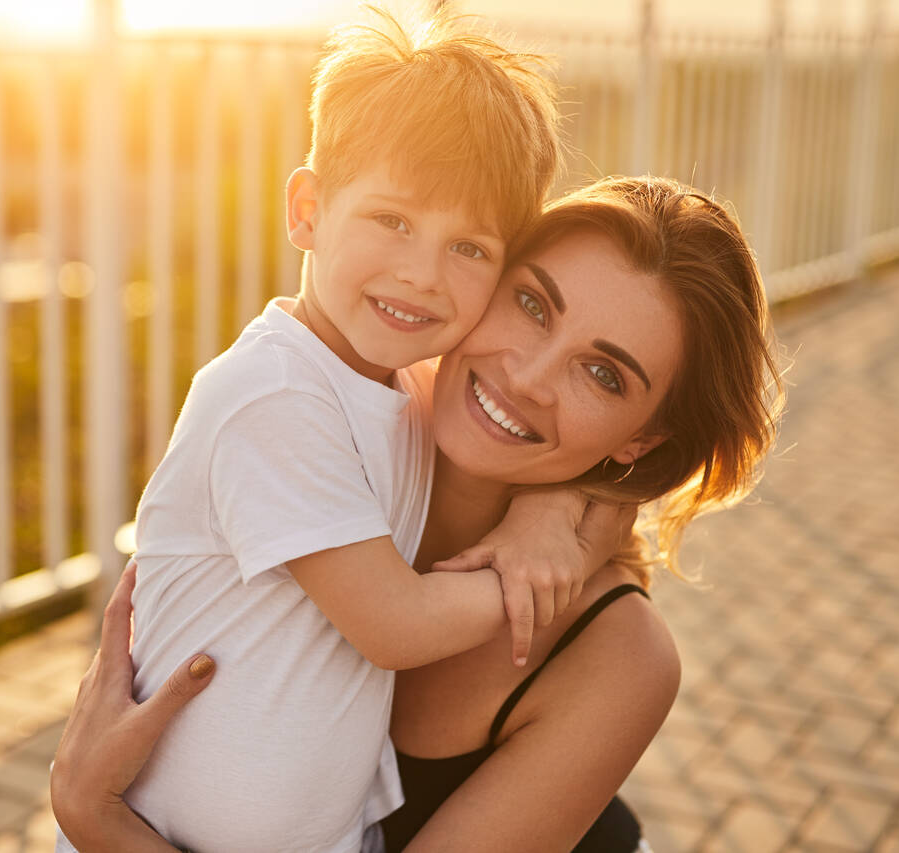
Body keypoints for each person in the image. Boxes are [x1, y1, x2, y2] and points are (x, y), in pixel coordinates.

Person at [52, 175, 785, 851]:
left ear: (641, 438)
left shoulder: (620, 657)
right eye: (532, 303)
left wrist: (98, 820)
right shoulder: (331, 424)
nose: (527, 378)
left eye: (602, 374)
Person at [55, 9, 633, 853]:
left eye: (469, 248)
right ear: (308, 209)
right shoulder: (272, 395)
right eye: (392, 221)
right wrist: (548, 566)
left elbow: (587, 469)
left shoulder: (405, 388)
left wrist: (546, 515)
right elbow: (395, 624)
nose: (421, 273)